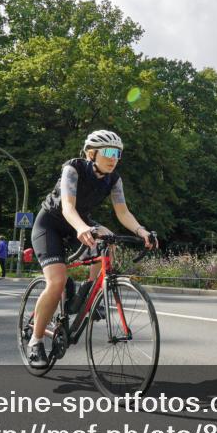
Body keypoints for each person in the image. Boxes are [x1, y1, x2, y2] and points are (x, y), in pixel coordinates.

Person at [26, 130, 156, 368]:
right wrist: (81, 228)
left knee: (108, 238)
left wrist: (141, 231)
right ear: (91, 153)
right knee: (56, 282)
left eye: (117, 153)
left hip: (81, 223)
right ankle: (35, 341)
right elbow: (67, 206)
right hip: (51, 225)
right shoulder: (73, 170)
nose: (113, 157)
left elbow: (123, 213)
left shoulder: (114, 179)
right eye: (108, 152)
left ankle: (90, 292)